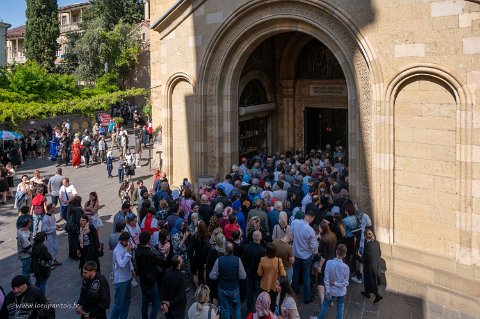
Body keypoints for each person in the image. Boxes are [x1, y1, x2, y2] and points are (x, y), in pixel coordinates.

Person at [209, 241, 247, 319]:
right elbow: (243, 276)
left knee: (225, 310)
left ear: (225, 250)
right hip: (234, 288)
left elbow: (212, 276)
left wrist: (219, 274)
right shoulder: (238, 260)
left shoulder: (219, 260)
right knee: (236, 308)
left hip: (222, 288)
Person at [290, 209, 318, 304]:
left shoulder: (294, 223)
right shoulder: (310, 230)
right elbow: (314, 247)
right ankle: (307, 296)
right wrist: (314, 252)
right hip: (306, 256)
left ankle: (294, 291)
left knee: (295, 273)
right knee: (306, 276)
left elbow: (292, 235)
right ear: (312, 217)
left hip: (296, 253)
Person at [135, 231, 164, 319]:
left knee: (145, 302)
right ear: (148, 241)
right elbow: (160, 261)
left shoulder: (137, 251)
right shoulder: (149, 253)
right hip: (151, 280)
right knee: (155, 303)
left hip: (143, 279)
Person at [318, 244, 350, 319]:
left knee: (325, 304)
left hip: (331, 290)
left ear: (336, 252)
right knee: (340, 307)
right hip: (341, 291)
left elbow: (326, 278)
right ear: (345, 255)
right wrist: (336, 284)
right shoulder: (346, 267)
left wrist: (328, 290)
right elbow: (346, 283)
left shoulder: (329, 262)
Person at [110, 232, 135, 319]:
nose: (128, 243)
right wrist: (128, 253)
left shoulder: (125, 246)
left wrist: (132, 269)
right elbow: (121, 264)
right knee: (118, 304)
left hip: (127, 278)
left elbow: (128, 261)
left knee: (127, 300)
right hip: (121, 281)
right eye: (126, 241)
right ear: (122, 241)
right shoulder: (117, 251)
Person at [257, 243, 286, 312]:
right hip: (274, 285)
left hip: (264, 284)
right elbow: (283, 274)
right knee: (273, 302)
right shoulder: (279, 260)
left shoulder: (263, 260)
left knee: (263, 301)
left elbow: (259, 273)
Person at [242, 230, 266, 312]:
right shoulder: (262, 250)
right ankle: (258, 310)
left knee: (249, 294)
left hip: (248, 274)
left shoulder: (247, 248)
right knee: (258, 293)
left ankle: (250, 311)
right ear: (260, 238)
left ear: (252, 237)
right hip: (258, 276)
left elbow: (243, 260)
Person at [161, 255, 187, 319]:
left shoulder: (166, 272)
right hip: (178, 308)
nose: (182, 260)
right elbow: (181, 295)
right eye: (181, 260)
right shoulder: (182, 276)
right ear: (179, 264)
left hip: (167, 305)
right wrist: (170, 303)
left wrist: (164, 302)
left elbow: (162, 288)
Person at [360, 228, 383, 303]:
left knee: (370, 280)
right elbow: (379, 253)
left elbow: (366, 257)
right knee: (370, 280)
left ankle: (377, 295)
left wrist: (360, 256)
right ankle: (367, 292)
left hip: (370, 266)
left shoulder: (368, 245)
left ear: (365, 236)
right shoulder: (377, 242)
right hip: (376, 263)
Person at [317, 220, 337, 305]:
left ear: (322, 229)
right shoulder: (332, 236)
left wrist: (320, 266)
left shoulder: (324, 240)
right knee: (329, 281)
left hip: (326, 263)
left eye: (319, 228)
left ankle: (323, 302)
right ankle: (330, 301)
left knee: (321, 283)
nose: (318, 229)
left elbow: (323, 256)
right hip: (332, 260)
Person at [16, 219, 32, 285]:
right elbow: (28, 248)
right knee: (26, 272)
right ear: (28, 224)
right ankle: (25, 285)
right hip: (25, 256)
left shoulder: (22, 230)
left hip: (26, 255)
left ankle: (28, 284)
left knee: (27, 272)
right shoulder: (23, 236)